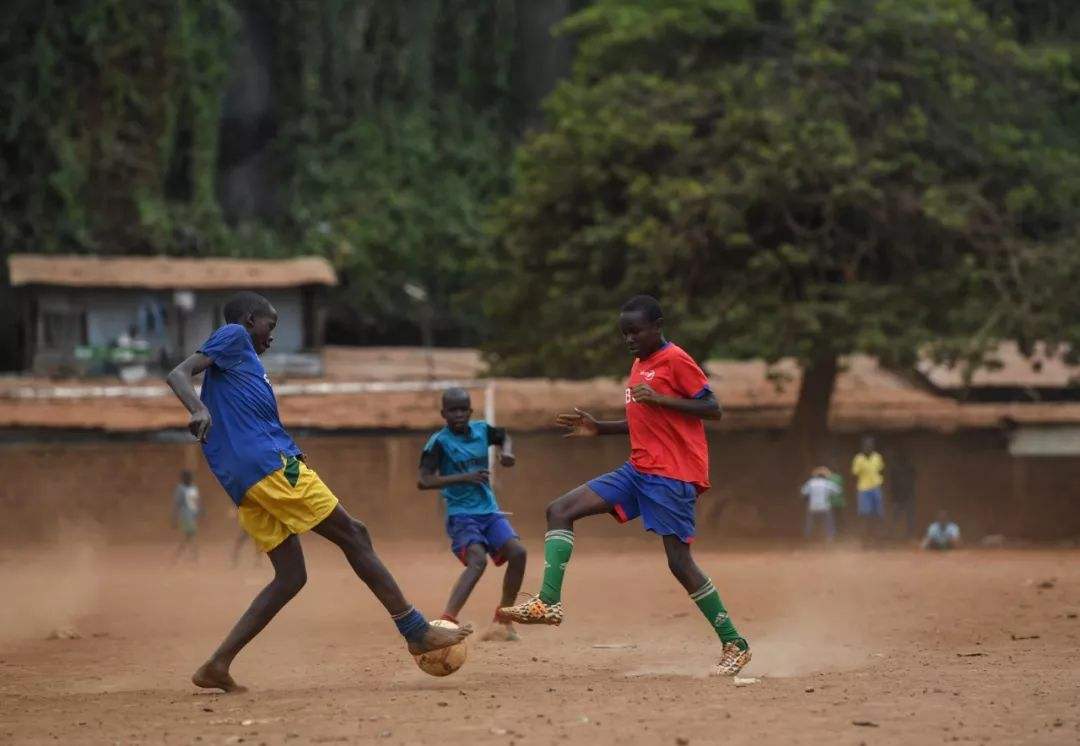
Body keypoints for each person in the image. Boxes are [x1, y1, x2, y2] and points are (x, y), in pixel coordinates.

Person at [166, 291, 470, 692]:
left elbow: (241, 410)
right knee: (355, 534)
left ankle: (217, 664)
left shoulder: (245, 363)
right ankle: (415, 630)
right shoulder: (234, 335)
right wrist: (197, 408)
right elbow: (178, 373)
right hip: (267, 464)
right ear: (249, 319)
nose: (271, 336)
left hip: (246, 476)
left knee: (291, 577)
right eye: (270, 326)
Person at [497, 295, 751, 676]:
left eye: (636, 331)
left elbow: (712, 407)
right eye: (624, 333)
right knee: (560, 510)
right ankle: (548, 601)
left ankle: (735, 643)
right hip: (638, 468)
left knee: (679, 563)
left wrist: (663, 399)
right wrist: (601, 428)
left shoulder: (676, 359)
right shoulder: (639, 364)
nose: (629, 339)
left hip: (672, 474)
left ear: (657, 326)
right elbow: (646, 420)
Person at [418, 388, 526, 642]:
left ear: (470, 411)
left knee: (518, 553)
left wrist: (507, 452)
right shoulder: (439, 443)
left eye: (462, 409)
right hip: (461, 515)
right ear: (443, 413)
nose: (458, 414)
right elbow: (424, 480)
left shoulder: (482, 430)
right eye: (452, 410)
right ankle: (447, 621)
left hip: (489, 511)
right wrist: (464, 478)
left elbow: (504, 437)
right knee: (477, 561)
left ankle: (504, 620)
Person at [852, 436, 886, 539]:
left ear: (873, 446)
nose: (868, 447)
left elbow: (881, 469)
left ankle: (877, 536)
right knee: (864, 514)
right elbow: (854, 472)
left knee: (878, 513)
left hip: (876, 487)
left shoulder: (877, 457)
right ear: (862, 447)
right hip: (863, 488)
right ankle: (864, 536)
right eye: (866, 445)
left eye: (870, 445)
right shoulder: (858, 458)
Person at [800, 467, 839, 542]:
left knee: (809, 522)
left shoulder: (811, 483)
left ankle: (807, 536)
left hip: (813, 507)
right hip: (824, 507)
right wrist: (829, 494)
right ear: (825, 476)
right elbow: (837, 491)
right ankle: (830, 537)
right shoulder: (827, 483)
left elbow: (803, 492)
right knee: (829, 522)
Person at [172, 470, 202, 563]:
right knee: (191, 535)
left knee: (188, 536)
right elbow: (177, 504)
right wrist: (174, 518)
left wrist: (199, 512)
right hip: (185, 516)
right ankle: (195, 557)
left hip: (191, 516)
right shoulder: (181, 489)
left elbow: (196, 502)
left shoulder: (193, 488)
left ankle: (178, 555)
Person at [889, 453, 917, 539]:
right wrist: (894, 496)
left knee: (910, 517)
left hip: (908, 496)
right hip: (899, 497)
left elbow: (914, 480)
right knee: (895, 516)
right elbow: (892, 484)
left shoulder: (910, 468)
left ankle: (910, 535)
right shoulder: (895, 469)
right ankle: (893, 534)